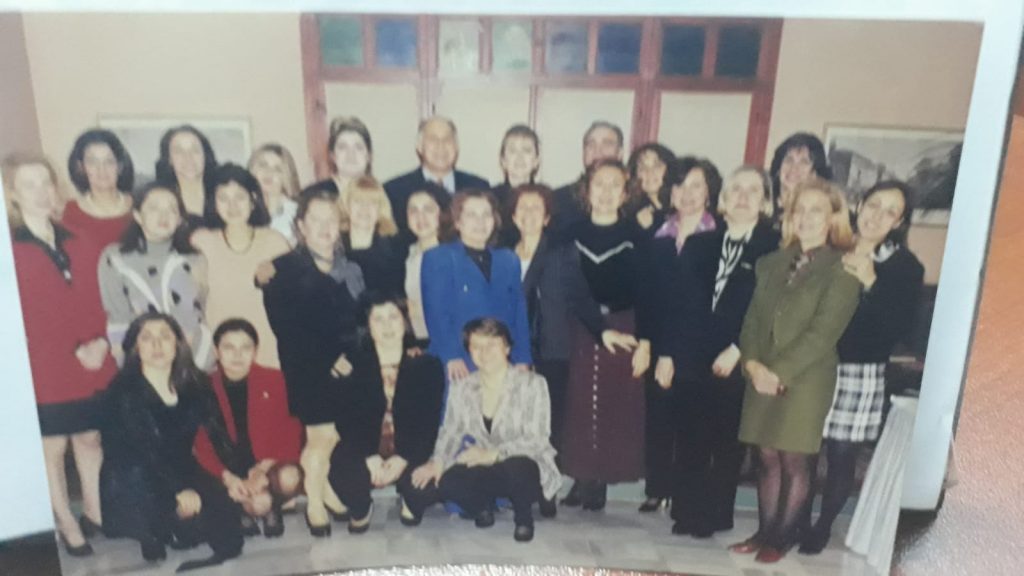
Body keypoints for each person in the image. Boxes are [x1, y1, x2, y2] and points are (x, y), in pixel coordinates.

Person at [729, 178, 861, 563]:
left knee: (794, 460)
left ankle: (781, 537)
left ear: (833, 218)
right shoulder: (771, 262)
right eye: (799, 209)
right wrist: (753, 364)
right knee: (766, 456)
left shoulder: (843, 268)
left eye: (816, 210)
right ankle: (764, 531)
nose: (805, 217)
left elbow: (822, 333)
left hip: (806, 379)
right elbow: (751, 321)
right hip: (761, 373)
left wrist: (777, 373)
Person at [799, 181, 925, 554]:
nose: (877, 216)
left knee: (841, 456)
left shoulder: (904, 267)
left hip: (860, 370)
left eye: (890, 212)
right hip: (816, 364)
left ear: (899, 222)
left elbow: (898, 329)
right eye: (873, 205)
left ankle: (822, 526)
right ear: (859, 205)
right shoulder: (832, 246)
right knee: (804, 449)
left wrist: (871, 281)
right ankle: (798, 520)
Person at [4, 153, 117, 557]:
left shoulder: (78, 239)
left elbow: (97, 298)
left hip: (92, 357)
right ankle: (66, 522)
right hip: (44, 364)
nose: (41, 192)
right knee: (52, 447)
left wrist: (99, 341)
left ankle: (94, 513)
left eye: (45, 182)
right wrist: (72, 348)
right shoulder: (9, 248)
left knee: (90, 437)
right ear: (12, 194)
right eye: (29, 185)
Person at [656, 166, 780, 536]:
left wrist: (738, 350)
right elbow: (675, 303)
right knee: (689, 436)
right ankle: (687, 512)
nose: (743, 196)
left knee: (725, 442)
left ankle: (716, 515)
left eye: (753, 190)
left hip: (738, 355)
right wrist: (667, 354)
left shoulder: (774, 248)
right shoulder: (700, 243)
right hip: (691, 354)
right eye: (735, 189)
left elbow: (770, 309)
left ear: (765, 202)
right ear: (723, 199)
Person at [509, 184, 637, 482]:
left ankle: (547, 485)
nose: (529, 214)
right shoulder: (504, 256)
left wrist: (603, 332)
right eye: (522, 208)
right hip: (513, 352)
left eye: (536, 208)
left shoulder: (561, 253)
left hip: (553, 349)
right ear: (513, 217)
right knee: (517, 420)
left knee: (551, 422)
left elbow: (580, 297)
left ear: (546, 218)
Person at [100, 313, 242, 568]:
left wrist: (233, 474)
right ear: (135, 347)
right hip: (135, 476)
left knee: (229, 532)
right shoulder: (122, 392)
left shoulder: (196, 382)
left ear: (178, 343)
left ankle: (177, 526)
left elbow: (217, 434)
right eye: (147, 338)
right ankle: (151, 532)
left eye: (165, 337)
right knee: (173, 510)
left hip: (181, 466)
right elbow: (145, 449)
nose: (157, 345)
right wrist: (179, 490)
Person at [262, 187, 365, 536]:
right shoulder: (282, 271)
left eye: (331, 220)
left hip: (347, 367)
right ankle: (315, 506)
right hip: (309, 369)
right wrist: (330, 359)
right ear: (301, 226)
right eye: (315, 220)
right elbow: (287, 328)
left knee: (334, 436)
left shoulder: (350, 268)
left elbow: (359, 320)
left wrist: (350, 356)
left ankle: (327, 492)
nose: (324, 228)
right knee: (321, 437)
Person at [413, 318, 560, 542]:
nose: (484, 353)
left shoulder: (533, 384)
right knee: (447, 481)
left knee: (518, 466)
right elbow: (451, 430)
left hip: (527, 464)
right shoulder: (462, 387)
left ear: (507, 348)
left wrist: (493, 454)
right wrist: (438, 462)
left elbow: (537, 439)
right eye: (476, 346)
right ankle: (482, 508)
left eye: (492, 345)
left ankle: (524, 519)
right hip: (485, 464)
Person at [560, 159, 653, 510]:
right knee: (580, 400)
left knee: (617, 401)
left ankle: (602, 477)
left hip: (626, 324)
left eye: (615, 185)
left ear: (626, 193)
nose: (606, 192)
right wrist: (597, 328)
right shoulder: (570, 233)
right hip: (582, 326)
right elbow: (570, 288)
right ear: (586, 190)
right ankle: (582, 475)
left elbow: (649, 292)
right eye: (599, 184)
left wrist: (645, 342)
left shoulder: (636, 237)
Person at [640, 155, 722, 512]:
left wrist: (672, 353)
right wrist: (648, 344)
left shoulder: (719, 236)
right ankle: (658, 487)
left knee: (693, 423)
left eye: (696, 186)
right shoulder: (657, 234)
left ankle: (686, 496)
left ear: (709, 192)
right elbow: (646, 294)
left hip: (698, 344)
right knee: (659, 418)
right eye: (680, 185)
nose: (687, 193)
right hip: (658, 338)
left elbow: (699, 301)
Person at [327, 295, 446, 533]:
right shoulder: (352, 364)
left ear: (405, 321)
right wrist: (369, 456)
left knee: (423, 489)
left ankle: (409, 500)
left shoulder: (428, 365)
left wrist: (403, 458)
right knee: (342, 472)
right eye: (378, 319)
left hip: (410, 447)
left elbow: (428, 422)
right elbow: (347, 420)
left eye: (393, 317)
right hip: (365, 445)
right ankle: (362, 508)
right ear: (368, 326)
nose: (387, 326)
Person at [193, 319, 304, 539]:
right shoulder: (202, 388)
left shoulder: (275, 380)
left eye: (245, 347)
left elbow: (291, 430)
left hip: (267, 464)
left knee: (289, 478)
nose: (237, 355)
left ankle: (271, 503)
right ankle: (249, 508)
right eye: (229, 347)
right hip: (227, 470)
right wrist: (228, 478)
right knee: (258, 504)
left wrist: (264, 468)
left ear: (255, 350)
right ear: (216, 351)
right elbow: (201, 444)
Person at [97, 182, 213, 369]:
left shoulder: (195, 258)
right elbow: (118, 316)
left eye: (172, 210)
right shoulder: (115, 258)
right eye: (154, 208)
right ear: (137, 215)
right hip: (144, 362)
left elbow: (199, 311)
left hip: (194, 358)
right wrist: (127, 365)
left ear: (180, 219)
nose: (163, 215)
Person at [421, 189, 531, 381]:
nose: (480, 222)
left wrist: (522, 358)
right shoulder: (439, 258)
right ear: (457, 222)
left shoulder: (508, 260)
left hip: (503, 362)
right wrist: (451, 356)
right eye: (471, 215)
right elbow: (436, 313)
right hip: (459, 364)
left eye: (486, 214)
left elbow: (518, 313)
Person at [190, 164, 290, 369]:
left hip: (269, 355)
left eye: (240, 197)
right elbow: (192, 301)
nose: (232, 206)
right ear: (213, 203)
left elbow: (293, 303)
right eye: (223, 198)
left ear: (253, 200)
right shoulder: (202, 242)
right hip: (219, 356)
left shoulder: (275, 243)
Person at [383, 116, 489, 237]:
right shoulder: (395, 191)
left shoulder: (478, 187)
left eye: (447, 139)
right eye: (433, 139)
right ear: (419, 147)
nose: (441, 145)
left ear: (456, 146)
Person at [549, 121, 625, 242]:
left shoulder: (634, 202)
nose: (597, 151)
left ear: (620, 153)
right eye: (591, 144)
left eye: (606, 144)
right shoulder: (558, 199)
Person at [63, 129, 135, 250]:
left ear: (120, 166)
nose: (101, 169)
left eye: (109, 161)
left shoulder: (139, 207)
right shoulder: (68, 213)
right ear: (81, 167)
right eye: (92, 162)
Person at [404, 182, 453, 344]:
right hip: (419, 343)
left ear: (442, 213)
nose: (421, 217)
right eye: (414, 211)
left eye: (428, 209)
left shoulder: (454, 256)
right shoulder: (408, 255)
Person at [339, 176, 405, 297]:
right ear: (346, 205)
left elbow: (398, 292)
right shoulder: (334, 243)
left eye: (372, 203)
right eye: (358, 201)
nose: (365, 208)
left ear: (380, 208)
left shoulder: (396, 246)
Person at [155, 125, 219, 229]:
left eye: (195, 150)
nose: (188, 157)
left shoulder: (222, 195)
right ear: (169, 159)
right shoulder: (159, 199)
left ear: (205, 155)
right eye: (178, 151)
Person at [304, 116, 373, 208]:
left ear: (369, 156)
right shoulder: (312, 195)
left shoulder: (383, 195)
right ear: (333, 156)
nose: (351, 154)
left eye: (358, 147)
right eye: (342, 147)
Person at [768, 133, 832, 227]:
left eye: (804, 162)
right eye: (789, 160)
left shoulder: (821, 216)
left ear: (815, 173)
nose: (794, 168)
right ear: (778, 168)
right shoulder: (761, 206)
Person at [490, 124, 541, 245]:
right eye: (513, 151)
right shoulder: (491, 198)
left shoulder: (545, 198)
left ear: (536, 161)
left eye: (526, 151)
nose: (519, 157)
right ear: (503, 161)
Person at [248, 143, 302, 244]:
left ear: (287, 176)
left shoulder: (296, 212)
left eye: (277, 169)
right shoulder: (243, 209)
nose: (269, 172)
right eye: (263, 165)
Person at [627, 143, 676, 234]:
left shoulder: (683, 206)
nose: (649, 172)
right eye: (642, 167)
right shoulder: (630, 213)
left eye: (657, 166)